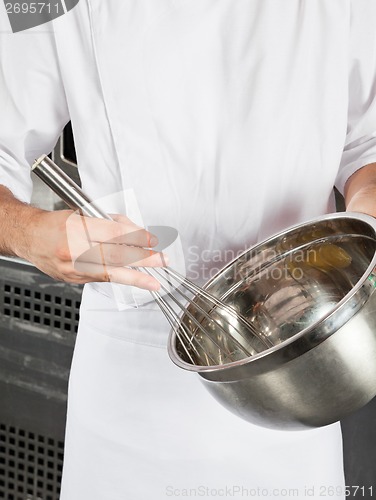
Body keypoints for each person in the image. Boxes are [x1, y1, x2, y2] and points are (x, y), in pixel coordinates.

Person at [1, 1, 376, 499]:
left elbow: (367, 144)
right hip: (128, 376)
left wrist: (364, 227)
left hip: (299, 358)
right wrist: (30, 233)